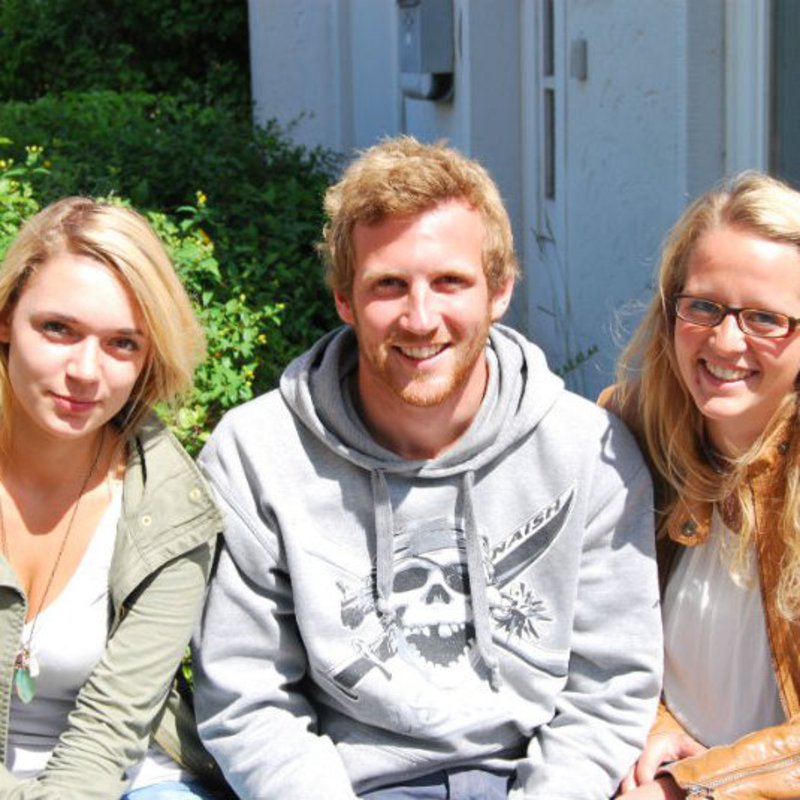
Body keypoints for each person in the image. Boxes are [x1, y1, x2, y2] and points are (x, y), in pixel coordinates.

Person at [193, 135, 661, 799]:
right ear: (344, 299)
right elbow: (249, 696)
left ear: (500, 291)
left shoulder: (589, 454)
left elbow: (608, 687)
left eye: (450, 282)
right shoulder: (257, 455)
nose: (419, 318)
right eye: (389, 284)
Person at [0, 198, 226, 799]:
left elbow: (110, 729)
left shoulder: (171, 508)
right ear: (6, 318)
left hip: (122, 780)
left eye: (122, 344)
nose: (85, 371)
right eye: (58, 329)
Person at [603, 172, 800, 799]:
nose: (725, 340)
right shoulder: (627, 435)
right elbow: (585, 634)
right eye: (704, 307)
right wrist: (651, 724)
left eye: (765, 318)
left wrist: (689, 786)